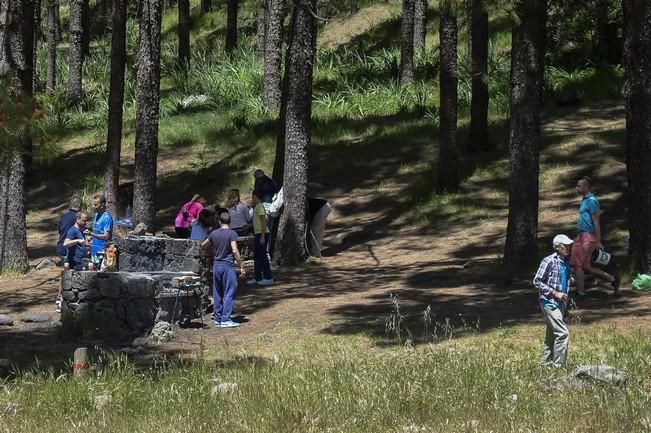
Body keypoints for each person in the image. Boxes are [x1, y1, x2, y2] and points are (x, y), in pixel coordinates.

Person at [571, 176, 618, 297]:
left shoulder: (592, 201)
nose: (577, 188)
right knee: (586, 266)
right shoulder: (585, 200)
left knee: (577, 264)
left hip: (587, 236)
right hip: (582, 235)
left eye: (579, 186)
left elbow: (596, 222)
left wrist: (598, 241)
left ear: (586, 187)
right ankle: (612, 279)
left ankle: (580, 292)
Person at [201, 211, 246, 328]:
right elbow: (235, 250)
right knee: (230, 290)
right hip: (227, 266)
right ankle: (226, 319)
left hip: (216, 265)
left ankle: (218, 318)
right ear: (229, 222)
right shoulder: (232, 234)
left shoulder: (213, 234)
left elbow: (203, 245)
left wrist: (211, 252)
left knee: (217, 292)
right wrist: (241, 266)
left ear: (219, 222)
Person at [533, 234, 573, 368]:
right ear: (557, 247)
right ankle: (559, 367)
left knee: (551, 335)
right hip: (549, 302)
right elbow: (537, 281)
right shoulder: (548, 261)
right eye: (565, 246)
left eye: (569, 245)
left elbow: (564, 280)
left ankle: (546, 365)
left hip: (560, 303)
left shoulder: (566, 262)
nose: (568, 248)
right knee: (562, 334)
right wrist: (555, 293)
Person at [247, 190, 273, 286]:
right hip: (258, 233)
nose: (252, 199)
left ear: (255, 196)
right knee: (257, 256)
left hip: (262, 233)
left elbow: (263, 221)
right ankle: (257, 277)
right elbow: (257, 221)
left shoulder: (260, 207)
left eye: (252, 196)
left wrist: (262, 236)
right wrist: (249, 226)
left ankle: (268, 277)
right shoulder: (256, 207)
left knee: (262, 256)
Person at [85, 194, 113, 260]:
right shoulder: (96, 215)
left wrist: (91, 234)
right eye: (93, 204)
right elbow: (98, 231)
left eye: (96, 205)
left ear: (102, 205)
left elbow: (106, 236)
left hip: (102, 251)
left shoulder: (107, 218)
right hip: (94, 249)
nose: (93, 206)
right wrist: (90, 237)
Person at [56, 196, 82, 264]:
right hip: (70, 251)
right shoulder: (78, 218)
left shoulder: (64, 217)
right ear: (79, 206)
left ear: (70, 205)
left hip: (60, 248)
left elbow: (59, 230)